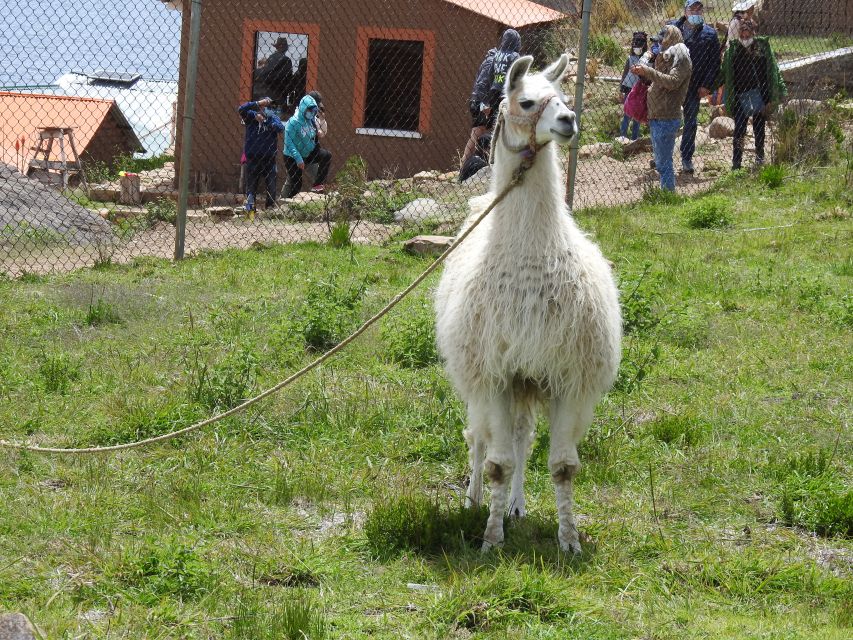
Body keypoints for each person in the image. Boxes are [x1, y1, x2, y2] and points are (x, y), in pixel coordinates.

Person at [632, 26, 693, 192]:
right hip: (657, 115)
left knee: (664, 163)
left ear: (671, 38)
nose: (659, 43)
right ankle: (666, 193)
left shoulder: (681, 57)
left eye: (661, 40)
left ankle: (668, 194)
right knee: (660, 163)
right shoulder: (668, 56)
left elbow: (673, 82)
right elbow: (659, 81)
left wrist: (649, 71)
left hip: (667, 116)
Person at [719, 19, 785, 170]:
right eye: (742, 31)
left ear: (754, 32)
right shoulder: (733, 51)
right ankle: (736, 163)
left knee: (759, 128)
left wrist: (772, 95)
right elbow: (725, 74)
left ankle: (760, 157)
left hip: (760, 96)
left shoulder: (762, 50)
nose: (744, 34)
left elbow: (772, 72)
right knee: (740, 129)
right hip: (740, 97)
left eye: (747, 31)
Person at [668, 1, 720, 174]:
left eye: (699, 9)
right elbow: (657, 48)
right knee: (668, 120)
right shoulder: (672, 28)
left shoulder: (710, 34)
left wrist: (706, 85)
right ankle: (663, 155)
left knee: (690, 122)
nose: (696, 12)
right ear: (685, 11)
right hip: (672, 84)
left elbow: (714, 63)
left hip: (694, 86)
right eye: (693, 9)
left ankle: (686, 158)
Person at [461, 29, 521, 165]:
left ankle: (478, 161)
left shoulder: (494, 59)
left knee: (482, 132)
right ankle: (467, 164)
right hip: (483, 100)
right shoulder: (494, 61)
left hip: (483, 99)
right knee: (479, 133)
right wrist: (484, 103)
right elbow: (482, 84)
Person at [237, 97, 285, 212]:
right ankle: (250, 207)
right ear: (261, 107)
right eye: (267, 107)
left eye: (272, 108)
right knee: (251, 184)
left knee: (271, 184)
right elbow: (241, 109)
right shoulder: (250, 116)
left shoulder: (274, 119)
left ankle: (269, 208)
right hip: (253, 157)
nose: (270, 110)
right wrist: (257, 104)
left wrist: (267, 121)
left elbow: (280, 128)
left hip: (269, 158)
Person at [283, 94, 331, 197]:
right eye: (311, 110)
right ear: (304, 108)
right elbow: (289, 143)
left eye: (314, 111)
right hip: (293, 156)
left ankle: (317, 185)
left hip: (308, 152)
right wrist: (298, 159)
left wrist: (319, 126)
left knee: (326, 155)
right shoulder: (293, 122)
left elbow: (320, 132)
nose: (313, 113)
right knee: (295, 183)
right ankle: (285, 202)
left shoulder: (311, 119)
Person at [619, 31, 649, 141]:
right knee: (627, 114)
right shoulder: (630, 58)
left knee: (637, 115)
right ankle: (623, 136)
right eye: (636, 41)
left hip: (640, 90)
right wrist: (621, 87)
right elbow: (625, 72)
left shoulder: (648, 59)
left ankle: (634, 138)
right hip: (629, 88)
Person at [254, 37, 293, 111]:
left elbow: (265, 73)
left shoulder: (271, 57)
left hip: (266, 92)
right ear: (284, 47)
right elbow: (289, 80)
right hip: (279, 94)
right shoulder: (287, 60)